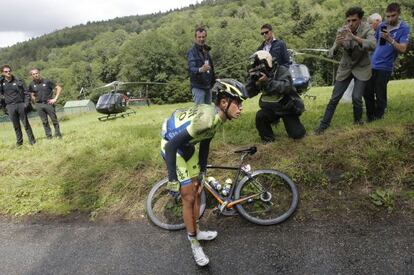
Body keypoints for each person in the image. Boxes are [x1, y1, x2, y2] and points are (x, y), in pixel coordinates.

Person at [161, 79, 248, 266]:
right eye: (238, 103)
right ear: (224, 103)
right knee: (189, 197)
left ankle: (197, 232)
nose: (241, 108)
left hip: (187, 146)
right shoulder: (206, 120)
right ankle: (194, 244)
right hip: (173, 148)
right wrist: (172, 180)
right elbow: (170, 146)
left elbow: (205, 144)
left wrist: (201, 172)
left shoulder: (216, 119)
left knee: (197, 189)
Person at [315, 7, 376, 134]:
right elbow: (331, 53)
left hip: (362, 67)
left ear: (360, 19)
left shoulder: (367, 29)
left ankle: (357, 121)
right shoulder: (342, 31)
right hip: (345, 67)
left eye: (354, 20)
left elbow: (372, 45)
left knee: (357, 98)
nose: (350, 23)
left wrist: (354, 37)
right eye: (348, 20)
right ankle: (322, 127)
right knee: (334, 99)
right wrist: (337, 44)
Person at [246, 50, 306, 143]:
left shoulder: (281, 70)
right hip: (271, 108)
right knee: (260, 116)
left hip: (286, 107)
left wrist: (268, 82)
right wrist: (252, 82)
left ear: (268, 62)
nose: (259, 68)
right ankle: (268, 140)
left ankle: (295, 127)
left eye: (261, 65)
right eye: (256, 66)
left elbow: (286, 87)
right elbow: (249, 94)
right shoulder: (260, 75)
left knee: (297, 135)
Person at [364, 3, 410, 122]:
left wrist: (390, 39)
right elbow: (375, 43)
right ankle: (370, 117)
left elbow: (403, 49)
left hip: (385, 66)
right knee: (367, 91)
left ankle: (379, 118)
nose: (390, 19)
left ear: (399, 13)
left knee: (380, 93)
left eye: (393, 16)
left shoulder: (404, 28)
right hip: (372, 63)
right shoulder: (382, 25)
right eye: (388, 16)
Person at [0, 65, 36, 146]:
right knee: (16, 126)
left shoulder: (18, 80)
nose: (8, 72)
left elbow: (26, 92)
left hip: (20, 105)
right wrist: (4, 107)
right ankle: (19, 143)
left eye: (9, 71)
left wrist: (26, 104)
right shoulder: (1, 83)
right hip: (10, 106)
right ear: (2, 73)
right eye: (6, 71)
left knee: (26, 124)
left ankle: (32, 141)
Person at [28, 68, 62, 139]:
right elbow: (31, 93)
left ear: (39, 73)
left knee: (54, 120)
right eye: (33, 74)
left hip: (48, 103)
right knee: (44, 122)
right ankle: (49, 136)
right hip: (39, 105)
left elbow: (58, 88)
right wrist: (34, 102)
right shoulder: (31, 84)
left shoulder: (47, 81)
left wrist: (55, 98)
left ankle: (58, 134)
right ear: (31, 76)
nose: (35, 75)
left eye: (36, 73)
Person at [187, 26, 216, 104]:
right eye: (199, 37)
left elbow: (211, 68)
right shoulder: (192, 52)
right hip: (198, 88)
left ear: (205, 37)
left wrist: (215, 80)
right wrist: (200, 69)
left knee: (208, 113)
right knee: (200, 113)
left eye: (203, 37)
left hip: (208, 87)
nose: (201, 39)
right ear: (195, 38)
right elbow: (191, 68)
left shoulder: (206, 50)